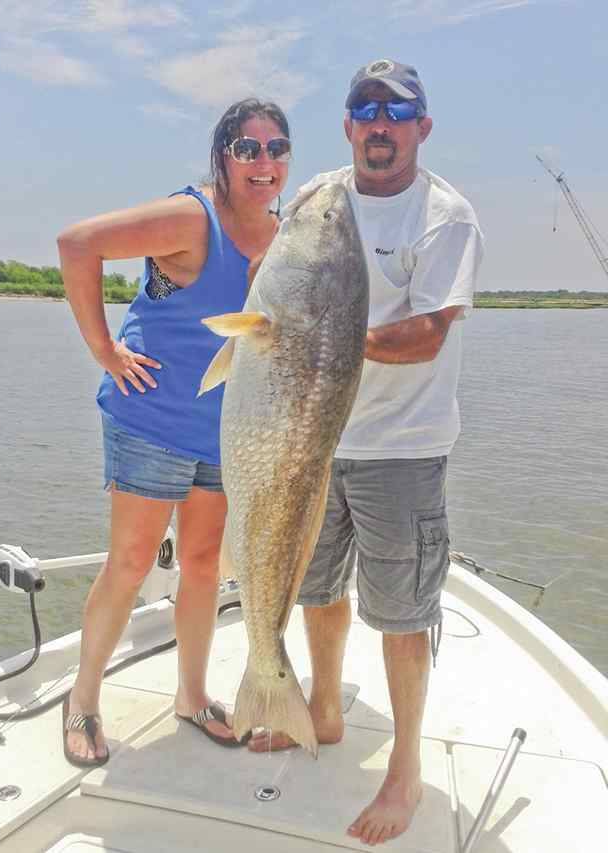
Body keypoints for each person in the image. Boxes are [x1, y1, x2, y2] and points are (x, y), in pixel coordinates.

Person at [247, 59, 483, 846]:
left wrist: (326, 341)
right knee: (314, 585)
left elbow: (429, 331)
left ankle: (405, 769)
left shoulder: (444, 217)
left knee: (402, 613)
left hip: (402, 448)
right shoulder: (320, 199)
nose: (379, 126)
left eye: (397, 112)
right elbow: (270, 277)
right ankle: (320, 705)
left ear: (421, 126)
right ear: (347, 125)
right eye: (365, 111)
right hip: (310, 437)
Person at [57, 98, 291, 766]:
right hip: (150, 417)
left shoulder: (281, 237)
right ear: (223, 155)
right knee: (130, 562)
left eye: (278, 148)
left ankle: (191, 696)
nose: (265, 161)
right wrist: (104, 349)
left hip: (225, 430)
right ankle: (83, 701)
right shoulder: (191, 216)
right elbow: (77, 243)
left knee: (202, 566)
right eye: (249, 148)